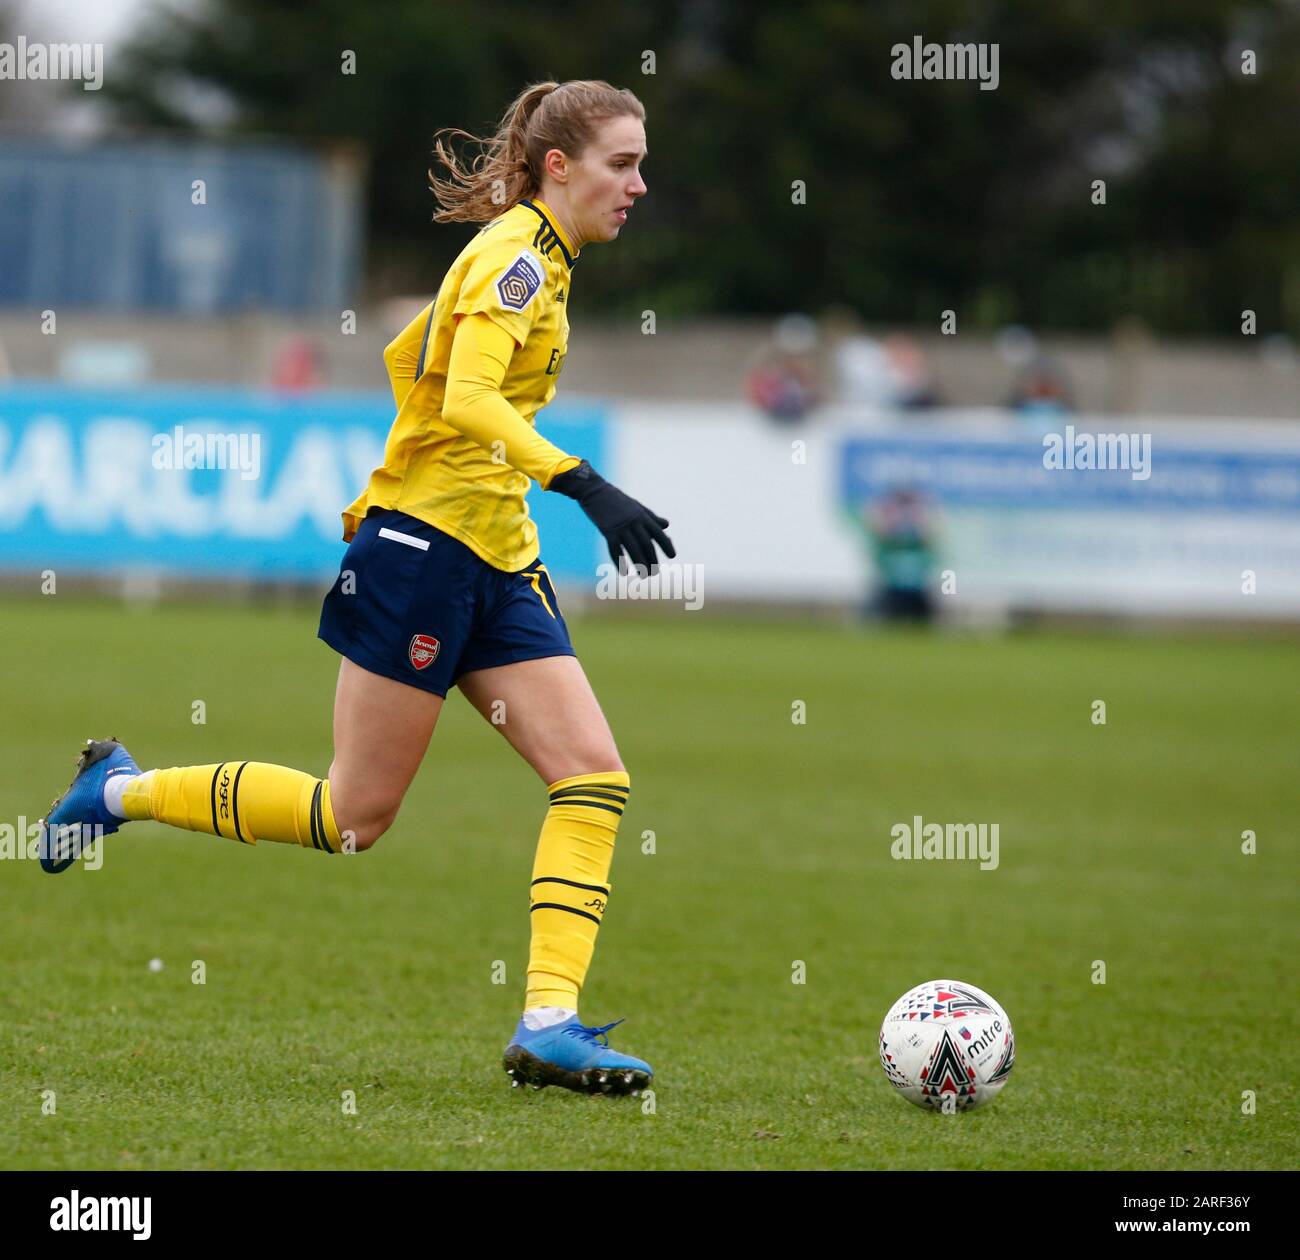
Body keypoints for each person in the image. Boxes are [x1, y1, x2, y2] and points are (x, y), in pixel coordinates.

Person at [37, 80, 673, 1098]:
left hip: (497, 560)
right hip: (419, 554)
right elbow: (462, 398)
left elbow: (416, 365)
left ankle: (548, 1023)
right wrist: (582, 481)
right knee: (353, 817)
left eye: (640, 163)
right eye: (622, 163)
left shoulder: (543, 259)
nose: (639, 183)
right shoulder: (516, 257)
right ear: (559, 166)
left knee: (593, 776)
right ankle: (116, 789)